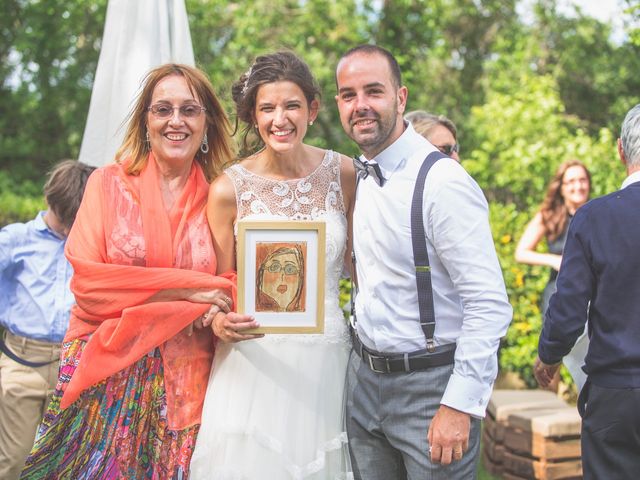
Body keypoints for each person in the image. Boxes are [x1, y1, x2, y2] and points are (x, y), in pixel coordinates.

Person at [20, 64, 239, 479]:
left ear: (207, 123)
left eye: (189, 110)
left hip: (185, 383)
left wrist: (206, 303)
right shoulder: (107, 185)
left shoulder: (221, 197)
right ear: (146, 122)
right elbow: (91, 286)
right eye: (163, 110)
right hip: (105, 376)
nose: (176, 121)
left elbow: (226, 287)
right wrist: (188, 295)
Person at [334, 44, 512, 479]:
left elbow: (488, 304)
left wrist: (458, 404)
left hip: (431, 389)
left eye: (373, 91)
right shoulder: (356, 176)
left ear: (401, 97)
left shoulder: (443, 182)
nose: (360, 106)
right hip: (362, 382)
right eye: (348, 94)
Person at [190, 51, 356, 479]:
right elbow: (220, 286)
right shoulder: (228, 189)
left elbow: (359, 266)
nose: (279, 119)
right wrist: (218, 321)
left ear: (312, 110)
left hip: (327, 363)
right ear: (253, 115)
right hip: (252, 362)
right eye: (267, 108)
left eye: (292, 105)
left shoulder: (344, 174)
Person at [534, 104, 640, 479]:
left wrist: (549, 356)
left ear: (620, 150)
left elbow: (569, 307)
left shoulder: (594, 217)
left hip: (616, 393)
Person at [0, 160, 95, 479]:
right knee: (12, 461)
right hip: (23, 362)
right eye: (64, 219)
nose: (70, 229)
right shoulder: (16, 240)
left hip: (74, 364)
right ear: (50, 202)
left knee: (64, 462)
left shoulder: (89, 243)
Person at [516, 160, 591, 391]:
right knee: (553, 357)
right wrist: (555, 260)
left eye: (582, 180)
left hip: (593, 295)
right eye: (570, 181)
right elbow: (521, 251)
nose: (577, 186)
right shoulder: (549, 215)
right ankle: (551, 415)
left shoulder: (596, 212)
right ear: (561, 186)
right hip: (560, 294)